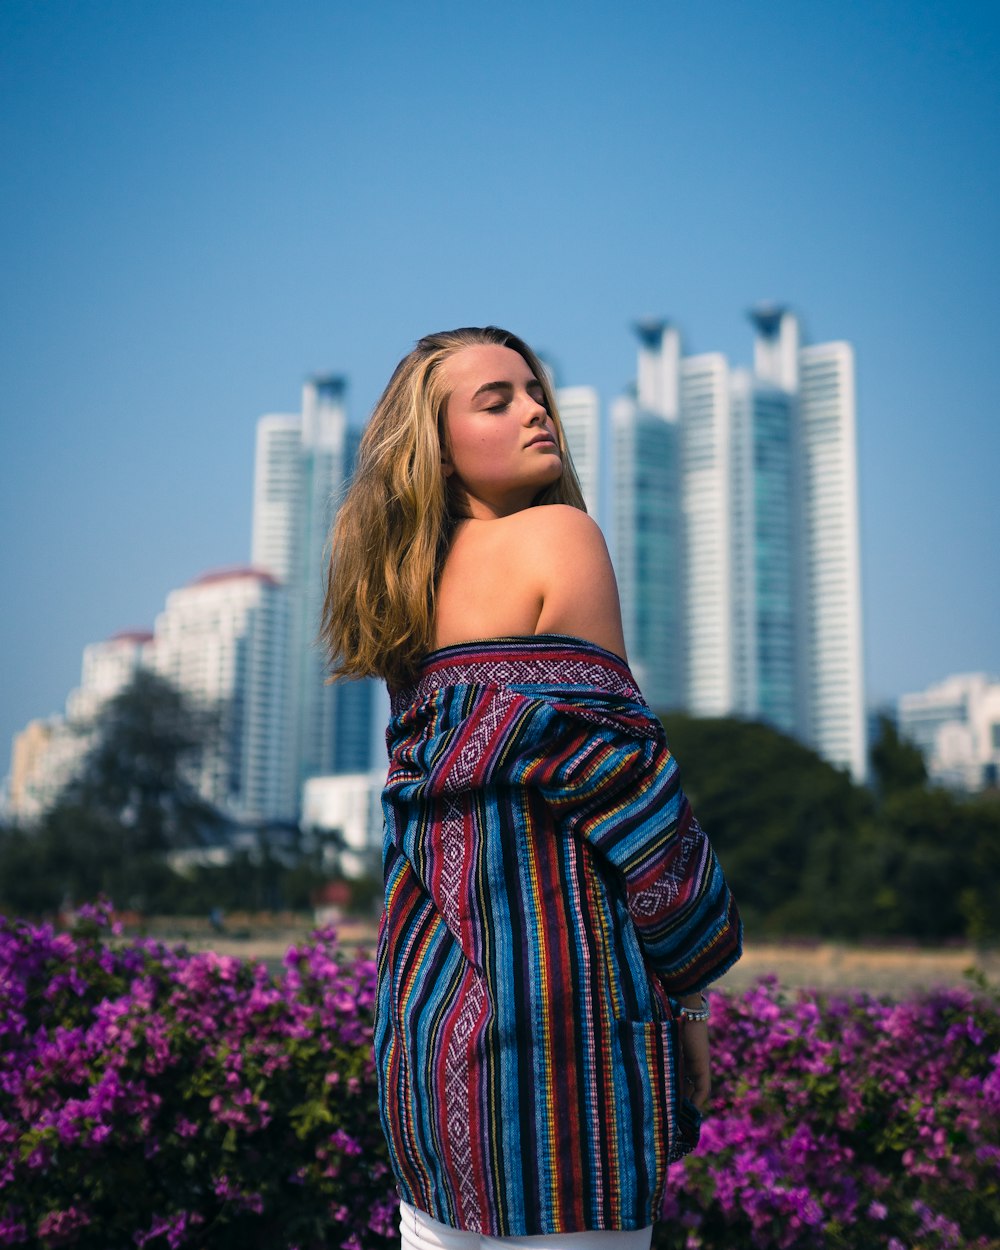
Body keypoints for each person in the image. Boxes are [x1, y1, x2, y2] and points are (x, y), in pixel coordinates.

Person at [322, 326, 742, 1250]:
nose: (536, 410)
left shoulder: (402, 594)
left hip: (428, 1046)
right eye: (497, 399)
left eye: (535, 391)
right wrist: (695, 985)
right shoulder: (561, 537)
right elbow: (633, 801)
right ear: (433, 444)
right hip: (563, 1073)